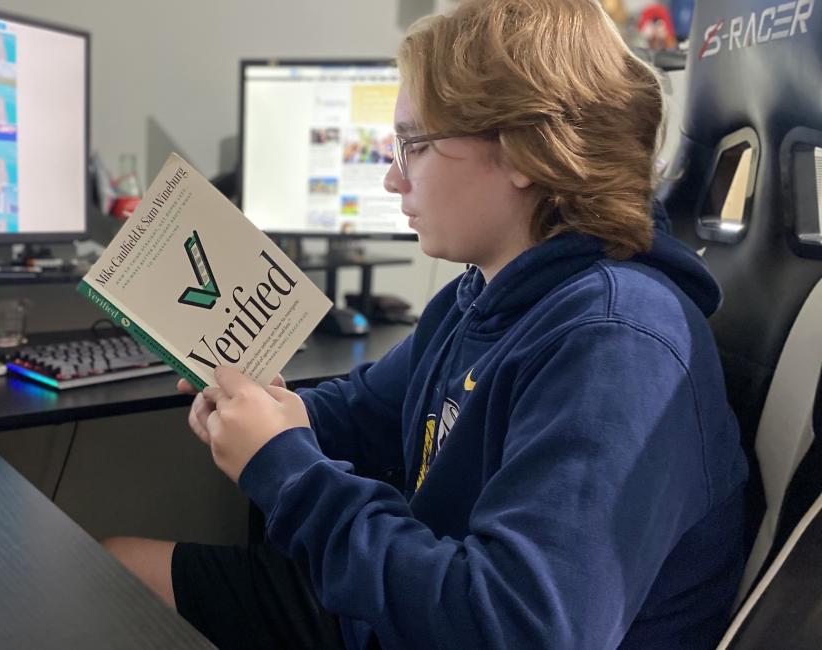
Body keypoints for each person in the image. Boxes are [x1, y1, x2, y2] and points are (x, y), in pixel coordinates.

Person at [104, 0, 748, 648]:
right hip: (404, 610)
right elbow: (367, 410)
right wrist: (273, 410)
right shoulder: (481, 294)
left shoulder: (617, 344)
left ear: (526, 147)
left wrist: (284, 465)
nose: (391, 178)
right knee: (114, 567)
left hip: (448, 620)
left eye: (415, 145)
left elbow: (516, 629)